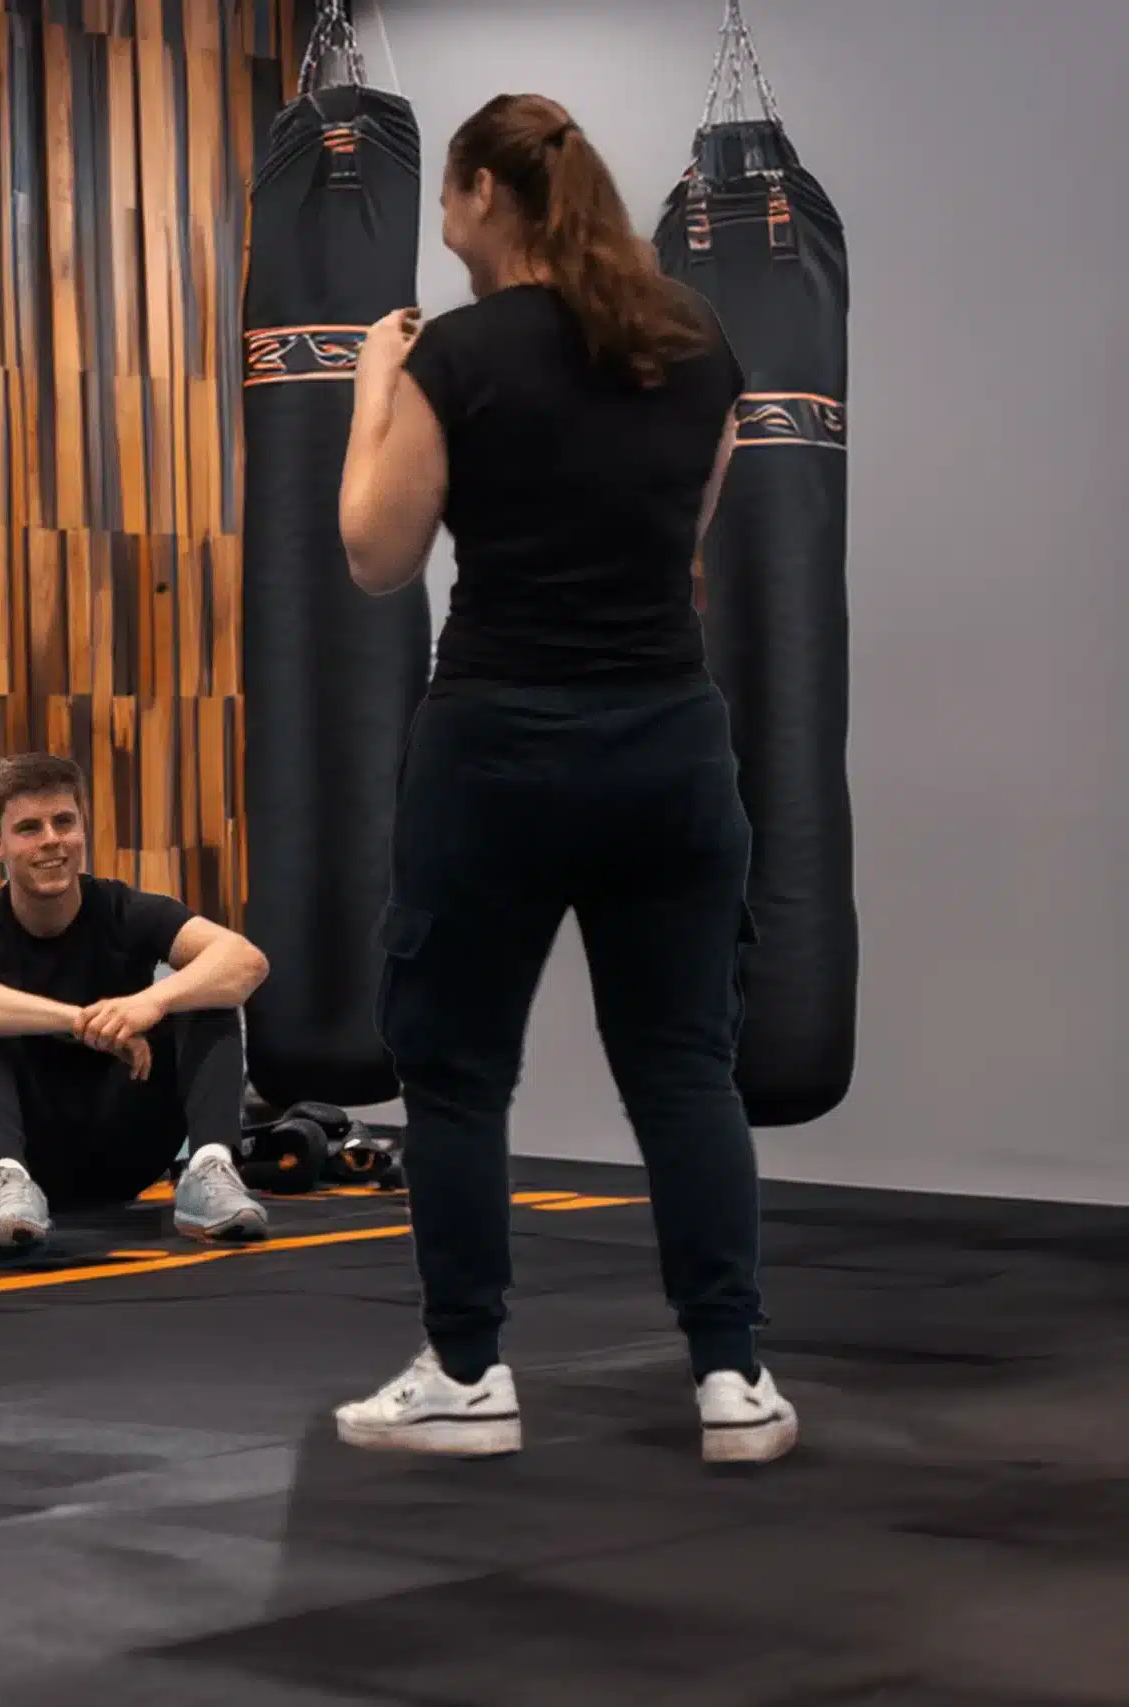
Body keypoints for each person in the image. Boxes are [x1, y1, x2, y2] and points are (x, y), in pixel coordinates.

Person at [328, 93, 795, 1463]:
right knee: (685, 1065)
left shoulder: (454, 359)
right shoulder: (696, 343)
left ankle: (468, 1371)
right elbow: (686, 532)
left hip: (500, 751)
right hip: (667, 741)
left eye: (448, 197)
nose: (443, 217)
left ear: (479, 192)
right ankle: (733, 1376)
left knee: (459, 1072)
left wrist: (368, 394)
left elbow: (373, 552)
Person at [0, 753, 275, 1260]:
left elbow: (245, 960)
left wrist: (149, 1002)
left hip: (127, 1144)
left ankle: (210, 1170)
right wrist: (81, 1022)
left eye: (64, 822)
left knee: (207, 991)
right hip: (29, 1152)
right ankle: (9, 1183)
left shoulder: (125, 909)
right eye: (29, 828)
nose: (51, 840)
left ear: (83, 830)